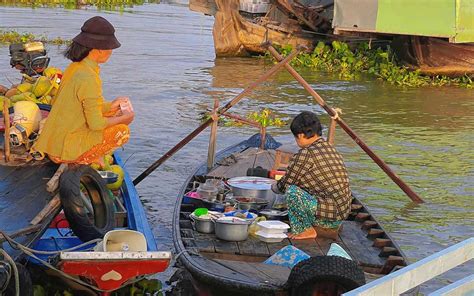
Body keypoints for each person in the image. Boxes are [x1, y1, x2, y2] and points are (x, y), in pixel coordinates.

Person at [32, 16, 134, 165]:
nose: (111, 51)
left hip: (54, 143)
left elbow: (82, 106)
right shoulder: (88, 77)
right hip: (63, 151)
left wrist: (111, 105)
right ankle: (82, 158)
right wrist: (124, 119)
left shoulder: (76, 67)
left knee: (113, 111)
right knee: (123, 131)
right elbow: (96, 124)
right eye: (110, 47)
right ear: (99, 49)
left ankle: (86, 152)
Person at [272, 111, 352, 239]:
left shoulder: (306, 154)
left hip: (329, 215)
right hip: (341, 213)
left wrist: (271, 187)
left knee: (292, 192)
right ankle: (327, 225)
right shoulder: (330, 148)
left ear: (301, 135)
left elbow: (284, 185)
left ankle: (305, 230)